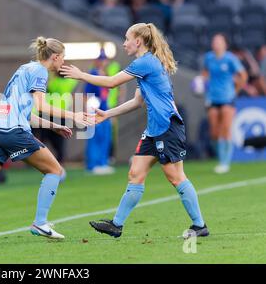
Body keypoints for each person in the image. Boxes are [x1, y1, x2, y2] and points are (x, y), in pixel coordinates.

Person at [60, 23, 209, 239]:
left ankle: (199, 225)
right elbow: (137, 101)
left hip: (167, 128)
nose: (124, 43)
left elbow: (111, 83)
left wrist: (81, 74)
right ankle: (116, 225)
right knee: (135, 173)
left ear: (138, 41)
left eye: (127, 38)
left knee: (175, 177)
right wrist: (108, 114)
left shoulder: (146, 62)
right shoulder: (145, 64)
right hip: (154, 130)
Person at [0, 37, 94, 244]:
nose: (63, 62)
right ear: (56, 57)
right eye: (63, 58)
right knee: (55, 171)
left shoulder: (23, 70)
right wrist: (73, 116)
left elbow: (26, 113)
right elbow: (41, 106)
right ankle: (40, 223)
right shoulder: (40, 72)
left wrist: (53, 125)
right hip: (14, 133)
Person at [202, 34, 247, 174]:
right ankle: (221, 156)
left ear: (225, 44)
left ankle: (224, 162)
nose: (216, 43)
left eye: (219, 41)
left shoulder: (230, 59)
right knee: (214, 132)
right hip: (212, 98)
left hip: (228, 97)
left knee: (225, 129)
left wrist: (236, 89)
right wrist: (201, 83)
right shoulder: (208, 58)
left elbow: (243, 75)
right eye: (214, 41)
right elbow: (205, 73)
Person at [84, 50, 114, 174]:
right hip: (94, 110)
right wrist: (87, 112)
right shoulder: (93, 74)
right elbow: (86, 95)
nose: (103, 62)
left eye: (104, 59)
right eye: (101, 59)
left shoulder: (106, 74)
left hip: (105, 109)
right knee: (94, 137)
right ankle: (93, 165)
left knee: (105, 136)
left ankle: (103, 163)